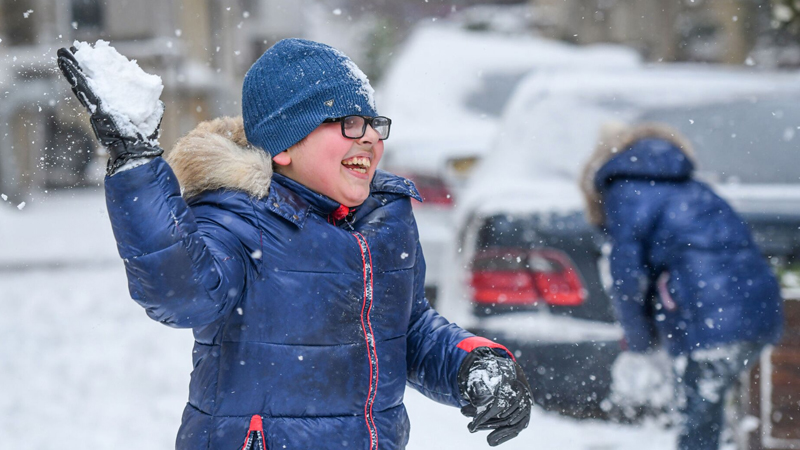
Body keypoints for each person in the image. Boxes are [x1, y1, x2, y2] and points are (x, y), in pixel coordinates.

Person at [56, 39, 532, 449]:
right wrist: (137, 163)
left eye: (371, 122)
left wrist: (473, 361)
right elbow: (181, 294)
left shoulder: (386, 221)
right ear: (284, 145)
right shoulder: (239, 220)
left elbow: (405, 330)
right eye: (345, 122)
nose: (367, 137)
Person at [580, 122, 783, 450]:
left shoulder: (625, 191)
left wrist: (640, 344)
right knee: (707, 412)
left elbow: (628, 279)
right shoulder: (689, 188)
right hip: (756, 312)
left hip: (712, 320)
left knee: (698, 423)